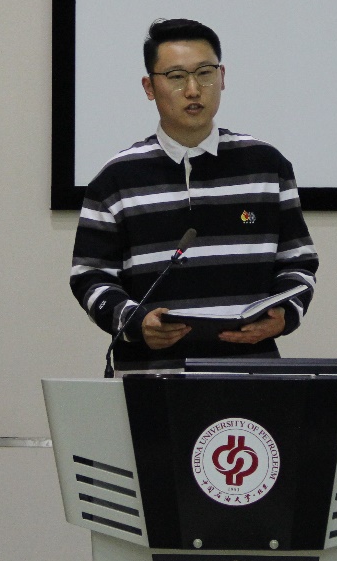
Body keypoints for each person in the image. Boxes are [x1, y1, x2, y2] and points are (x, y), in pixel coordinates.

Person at [70, 18, 318, 367]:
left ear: (222, 77)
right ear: (149, 87)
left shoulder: (266, 167)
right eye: (176, 77)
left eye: (205, 73)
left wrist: (285, 314)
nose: (193, 90)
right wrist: (135, 321)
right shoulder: (116, 179)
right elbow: (89, 276)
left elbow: (299, 263)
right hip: (150, 374)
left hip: (251, 369)